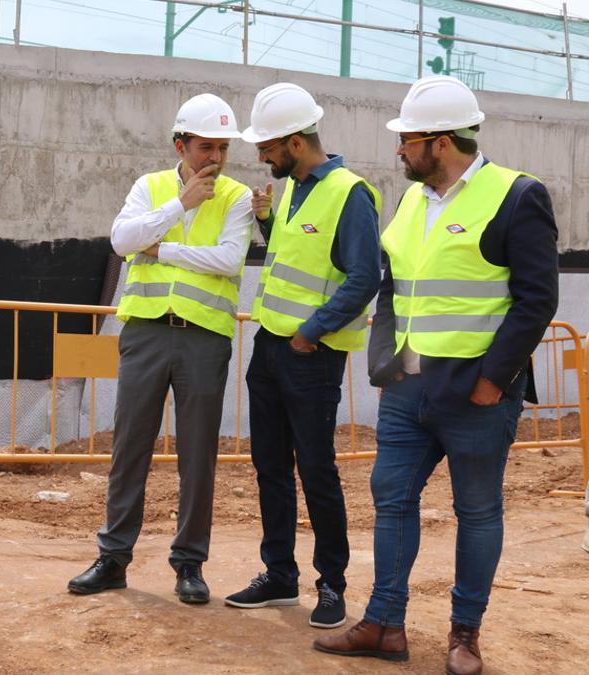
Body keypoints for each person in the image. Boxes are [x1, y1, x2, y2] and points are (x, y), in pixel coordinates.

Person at [313, 75, 558, 675]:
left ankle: (465, 635)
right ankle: (384, 624)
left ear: (442, 142)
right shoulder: (412, 201)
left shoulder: (517, 196)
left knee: (477, 511)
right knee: (390, 498)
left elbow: (536, 301)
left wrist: (492, 382)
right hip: (410, 389)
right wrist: (386, 362)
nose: (399, 149)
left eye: (409, 139)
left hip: (477, 393)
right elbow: (394, 286)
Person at [67, 94, 254, 603]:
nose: (215, 158)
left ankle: (189, 564)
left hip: (204, 337)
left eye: (222, 148)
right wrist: (180, 206)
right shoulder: (149, 187)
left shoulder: (237, 196)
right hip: (147, 333)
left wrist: (163, 248)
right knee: (130, 448)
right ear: (181, 144)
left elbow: (229, 258)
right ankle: (113, 557)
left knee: (198, 455)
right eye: (205, 147)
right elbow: (123, 241)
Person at [224, 83, 381, 629]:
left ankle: (331, 585)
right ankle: (280, 576)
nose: (260, 156)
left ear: (295, 140)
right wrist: (268, 222)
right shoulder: (290, 187)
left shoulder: (349, 192)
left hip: (309, 354)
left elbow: (364, 276)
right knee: (270, 465)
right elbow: (293, 257)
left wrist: (311, 332)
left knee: (316, 468)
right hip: (270, 345)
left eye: (267, 146)